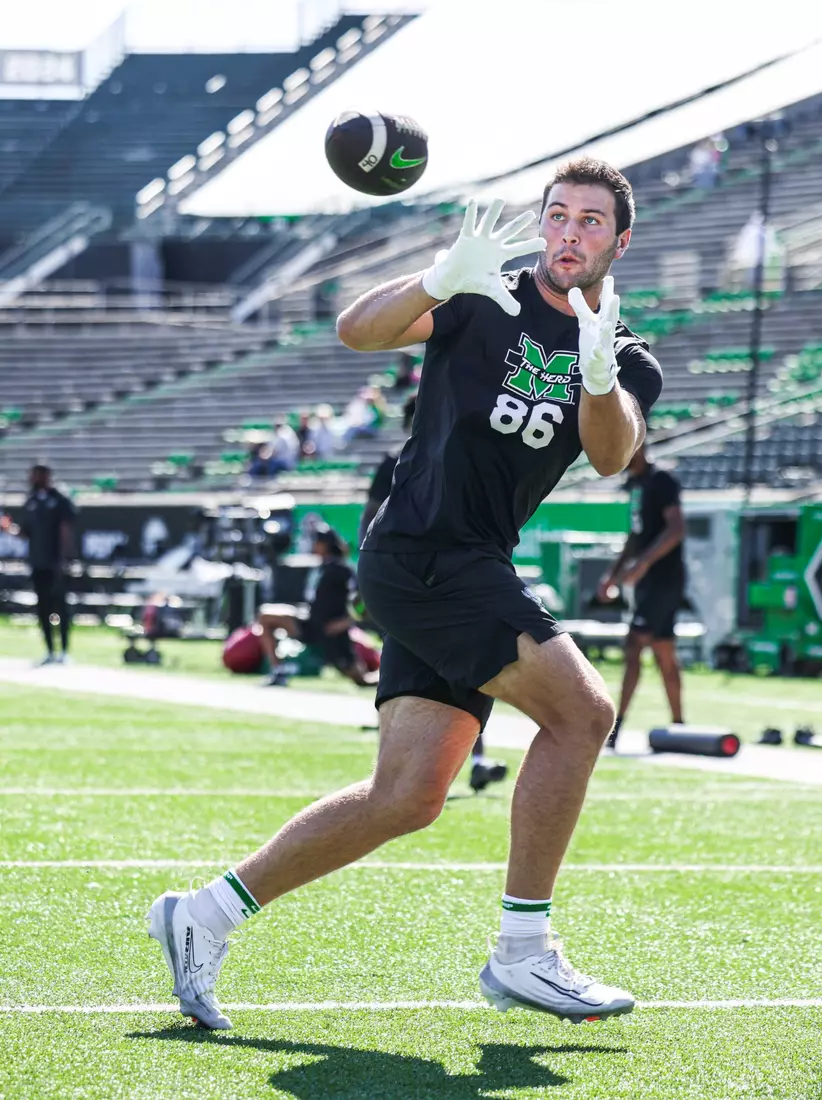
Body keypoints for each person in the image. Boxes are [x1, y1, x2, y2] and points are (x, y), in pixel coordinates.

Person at [147, 156, 663, 1031]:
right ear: (542, 223)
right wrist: (433, 277)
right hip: (428, 551)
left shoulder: (621, 347)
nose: (569, 233)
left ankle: (203, 914)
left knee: (408, 796)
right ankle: (525, 951)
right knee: (582, 714)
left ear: (619, 239)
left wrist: (599, 373)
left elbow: (614, 455)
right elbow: (355, 330)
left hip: (464, 563)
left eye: (589, 222)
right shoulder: (481, 295)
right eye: (558, 215)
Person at [358, 394, 508, 794]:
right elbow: (372, 517)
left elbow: (367, 521)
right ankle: (435, 763)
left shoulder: (440, 454)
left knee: (435, 673)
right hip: (424, 579)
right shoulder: (412, 459)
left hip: (415, 580)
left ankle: (448, 762)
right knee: (459, 673)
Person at [597, 445, 686, 749]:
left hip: (664, 579)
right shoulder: (635, 485)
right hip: (650, 581)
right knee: (663, 651)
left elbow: (676, 529)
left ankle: (616, 727)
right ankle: (680, 727)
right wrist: (613, 573)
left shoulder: (661, 480)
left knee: (635, 643)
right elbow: (636, 534)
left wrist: (644, 563)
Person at [257, 525, 377, 689]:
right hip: (310, 625)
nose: (313, 546)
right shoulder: (320, 567)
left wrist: (345, 623)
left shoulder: (341, 569)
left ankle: (389, 677)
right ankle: (279, 671)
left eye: (317, 542)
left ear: (325, 544)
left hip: (332, 632)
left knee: (362, 681)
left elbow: (363, 599)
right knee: (266, 616)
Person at [0, 464, 76, 664]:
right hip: (38, 562)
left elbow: (65, 530)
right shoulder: (31, 501)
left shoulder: (59, 500)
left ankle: (65, 650)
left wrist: (65, 559)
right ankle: (50, 650)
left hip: (56, 563)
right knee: (43, 607)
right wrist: (9, 529)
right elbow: (25, 533)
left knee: (60, 607)